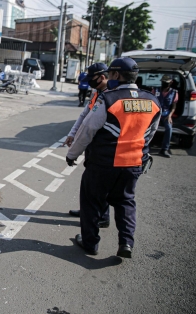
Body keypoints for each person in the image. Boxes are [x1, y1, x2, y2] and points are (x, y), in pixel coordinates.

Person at [66, 57, 160, 258]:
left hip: (104, 163)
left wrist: (72, 154)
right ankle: (126, 243)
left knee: (91, 201)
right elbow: (150, 134)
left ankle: (90, 243)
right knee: (126, 201)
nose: (108, 77)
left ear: (116, 75)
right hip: (134, 163)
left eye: (110, 74)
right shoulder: (152, 101)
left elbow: (88, 129)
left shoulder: (109, 98)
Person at [63, 63, 110, 227]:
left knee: (100, 185)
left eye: (93, 78)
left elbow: (91, 126)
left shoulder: (111, 96)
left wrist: (73, 152)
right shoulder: (97, 93)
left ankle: (101, 217)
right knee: (90, 185)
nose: (90, 81)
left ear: (103, 77)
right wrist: (72, 133)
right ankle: (89, 211)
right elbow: (85, 114)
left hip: (103, 147)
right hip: (93, 146)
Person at [156, 75, 178, 158]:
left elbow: (174, 106)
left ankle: (164, 149)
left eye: (166, 82)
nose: (164, 83)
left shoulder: (174, 93)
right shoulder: (155, 90)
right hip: (156, 113)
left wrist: (170, 115)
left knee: (169, 128)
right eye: (163, 82)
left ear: (171, 82)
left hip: (166, 114)